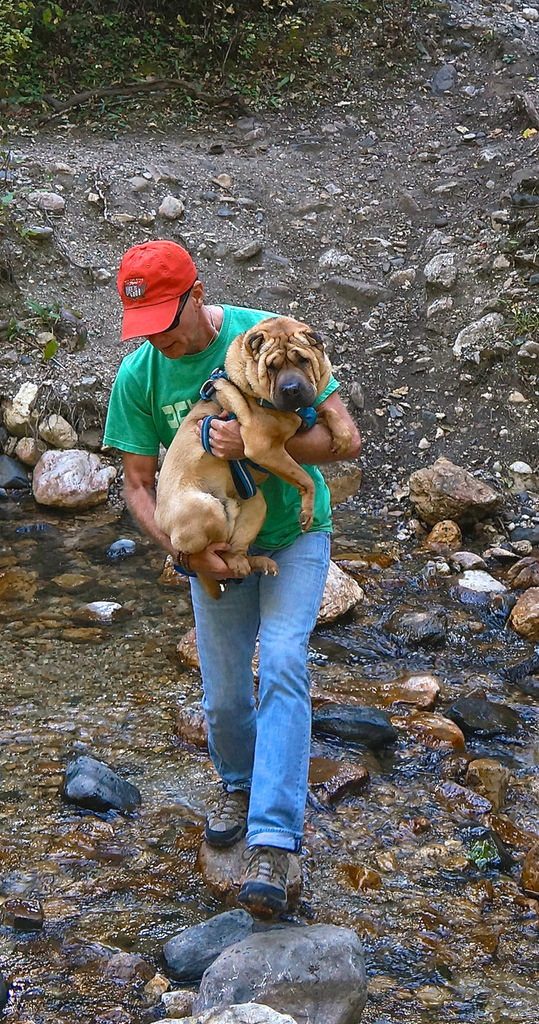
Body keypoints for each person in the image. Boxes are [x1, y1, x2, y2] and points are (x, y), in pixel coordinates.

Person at [103, 239, 361, 916]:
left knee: (280, 660)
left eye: (167, 318)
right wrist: (186, 553)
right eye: (143, 326)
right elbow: (136, 484)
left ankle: (274, 840)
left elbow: (342, 439)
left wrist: (252, 443)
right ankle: (238, 784)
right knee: (221, 695)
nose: (157, 336)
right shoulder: (139, 374)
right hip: (210, 545)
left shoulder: (267, 337)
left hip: (293, 536)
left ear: (196, 294)